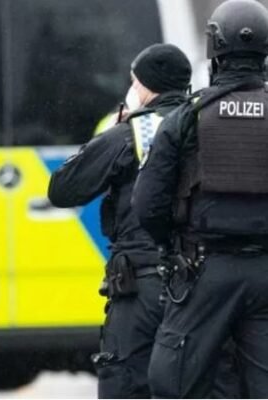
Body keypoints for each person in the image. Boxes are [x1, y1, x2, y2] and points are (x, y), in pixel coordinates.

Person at [133, 0, 268, 397]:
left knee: (173, 381)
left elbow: (148, 204)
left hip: (204, 269)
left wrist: (172, 246)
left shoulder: (186, 117)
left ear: (214, 49)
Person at [48, 43, 192, 398]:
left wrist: (110, 134)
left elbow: (63, 189)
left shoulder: (133, 132)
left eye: (134, 81)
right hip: (198, 285)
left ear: (147, 85)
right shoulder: (204, 124)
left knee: (127, 382)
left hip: (141, 285)